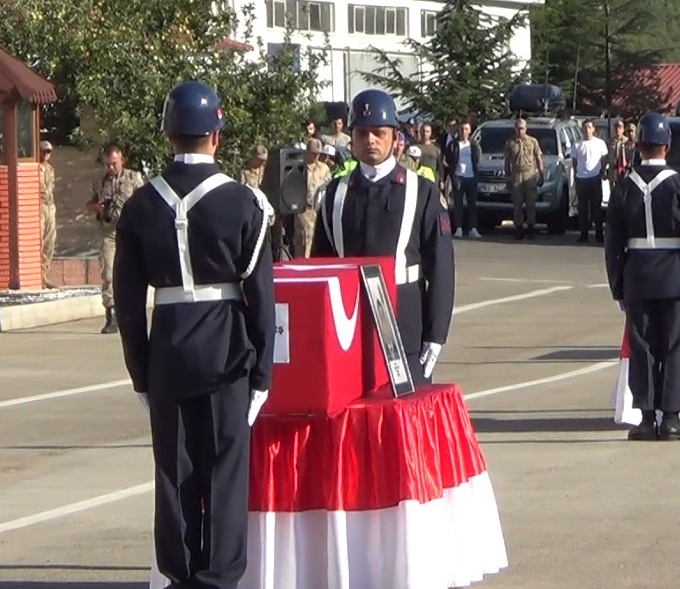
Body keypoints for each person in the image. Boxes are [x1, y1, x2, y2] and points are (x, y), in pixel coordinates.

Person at [113, 80, 276, 588]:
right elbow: (260, 297)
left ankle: (179, 575)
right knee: (224, 470)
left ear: (168, 134)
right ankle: (219, 578)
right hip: (226, 349)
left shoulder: (141, 205)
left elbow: (127, 303)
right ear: (216, 135)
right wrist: (262, 373)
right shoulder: (244, 203)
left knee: (174, 470)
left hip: (167, 350)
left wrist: (140, 372)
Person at [310, 88, 455, 385]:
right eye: (362, 133)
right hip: (348, 328)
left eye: (379, 133)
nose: (371, 140)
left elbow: (441, 268)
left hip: (404, 327)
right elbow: (320, 266)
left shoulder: (421, 192)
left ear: (395, 137)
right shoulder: (335, 193)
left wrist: (436, 334)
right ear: (352, 138)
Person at [604, 112, 680, 442]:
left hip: (637, 277)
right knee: (674, 347)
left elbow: (613, 243)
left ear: (638, 145)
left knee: (643, 347)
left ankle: (647, 418)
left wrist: (617, 284)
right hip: (676, 277)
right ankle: (673, 417)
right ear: (668, 146)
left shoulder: (624, 187)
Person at [87, 144, 145, 333]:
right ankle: (111, 314)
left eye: (114, 163)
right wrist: (98, 207)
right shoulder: (100, 182)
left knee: (132, 273)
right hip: (109, 232)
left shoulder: (134, 178)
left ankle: (131, 313)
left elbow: (146, 201)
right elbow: (90, 202)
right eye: (107, 164)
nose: (111, 168)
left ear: (122, 160)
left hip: (130, 231)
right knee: (108, 273)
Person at [503, 118, 544, 240]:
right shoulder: (510, 143)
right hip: (516, 175)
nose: (520, 131)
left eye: (522, 128)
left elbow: (538, 158)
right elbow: (507, 161)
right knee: (517, 204)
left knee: (531, 203)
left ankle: (531, 228)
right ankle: (519, 228)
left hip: (529, 174)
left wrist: (541, 173)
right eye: (518, 128)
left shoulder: (533, 141)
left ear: (526, 129)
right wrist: (508, 177)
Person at [573, 118, 610, 243]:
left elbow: (604, 160)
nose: (587, 130)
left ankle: (599, 233)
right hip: (581, 179)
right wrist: (577, 176)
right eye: (585, 127)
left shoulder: (600, 143)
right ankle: (584, 234)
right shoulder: (577, 145)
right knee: (583, 208)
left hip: (595, 178)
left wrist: (602, 172)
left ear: (593, 129)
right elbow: (574, 162)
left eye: (589, 127)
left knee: (596, 208)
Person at [39, 140, 57, 288]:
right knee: (39, 240)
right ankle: (38, 275)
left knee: (50, 241)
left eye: (48, 152)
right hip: (39, 206)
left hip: (50, 206)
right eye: (44, 151)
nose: (46, 154)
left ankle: (44, 274)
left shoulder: (50, 169)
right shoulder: (35, 168)